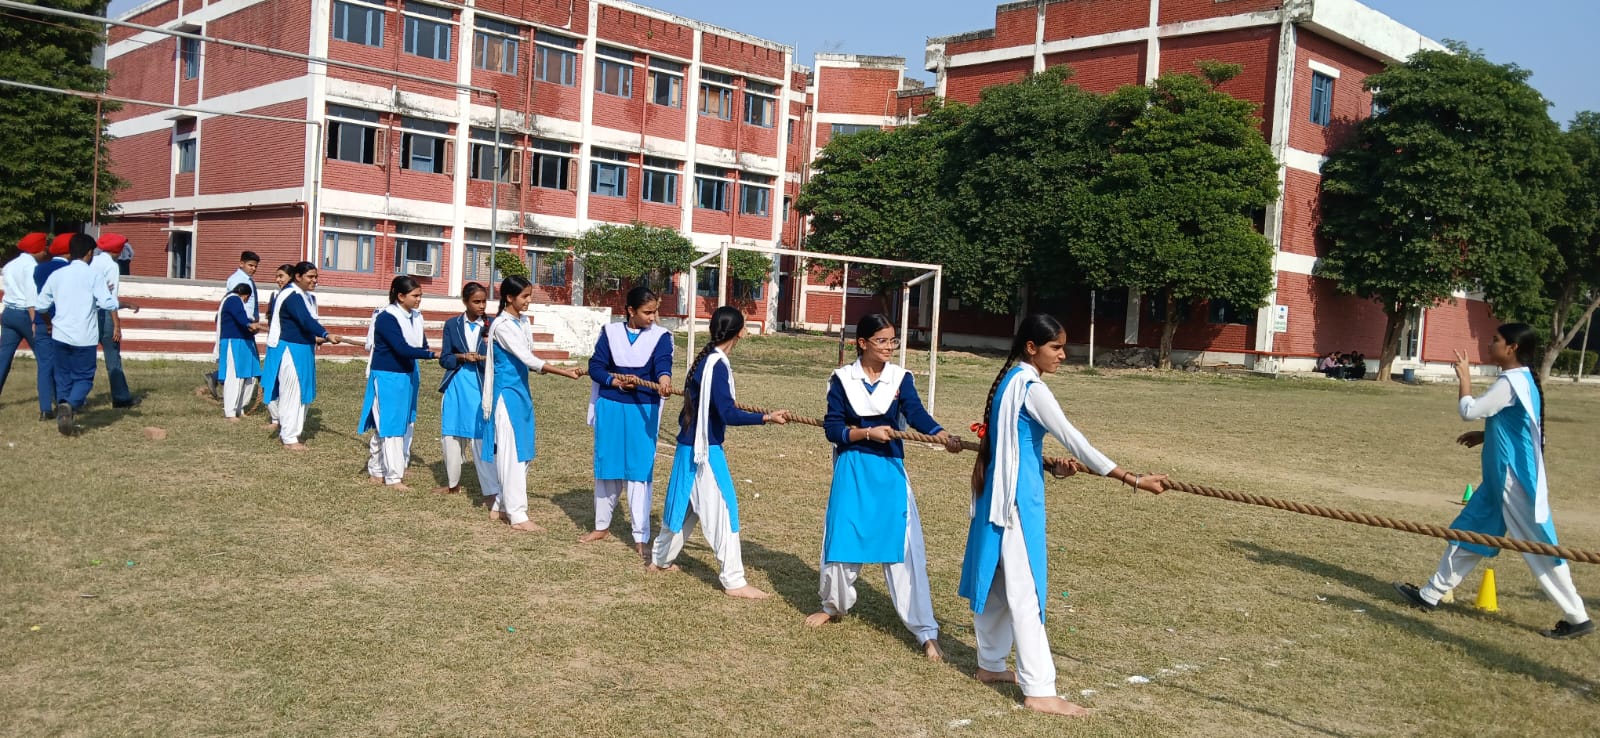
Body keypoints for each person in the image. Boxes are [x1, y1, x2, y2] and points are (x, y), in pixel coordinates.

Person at [958, 313, 1166, 717]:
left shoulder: (1009, 380)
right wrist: (1131, 478)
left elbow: (1015, 445)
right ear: (1031, 347)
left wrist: (1051, 468)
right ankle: (1039, 690)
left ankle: (990, 665)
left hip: (997, 497)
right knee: (1026, 592)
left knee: (999, 587)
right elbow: (1074, 438)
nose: (1063, 355)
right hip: (1015, 503)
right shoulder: (1031, 387)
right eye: (1055, 347)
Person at [1393, 323, 1593, 639]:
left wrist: (1464, 378)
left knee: (1540, 548)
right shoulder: (1520, 380)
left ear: (1512, 348)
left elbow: (1469, 410)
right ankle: (1431, 593)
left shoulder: (1510, 382)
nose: (1490, 344)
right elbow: (1517, 425)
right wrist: (1487, 435)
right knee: (1469, 533)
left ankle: (1578, 617)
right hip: (1499, 479)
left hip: (1514, 481)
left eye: (1496, 340)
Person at [805, 313, 963, 660]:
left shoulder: (900, 378)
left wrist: (941, 434)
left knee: (905, 551)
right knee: (842, 540)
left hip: (889, 472)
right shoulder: (842, 380)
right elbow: (833, 429)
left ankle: (925, 631)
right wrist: (866, 433)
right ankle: (833, 606)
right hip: (852, 470)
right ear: (862, 343)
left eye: (893, 340)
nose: (889, 347)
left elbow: (916, 414)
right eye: (882, 340)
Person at [648, 306, 790, 598]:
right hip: (703, 451)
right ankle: (734, 582)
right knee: (724, 511)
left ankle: (660, 560)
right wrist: (766, 418)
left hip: (688, 447)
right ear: (740, 332)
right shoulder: (715, 364)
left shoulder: (707, 360)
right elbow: (728, 413)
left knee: (683, 508)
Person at [480, 275, 584, 530]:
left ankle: (500, 505)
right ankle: (517, 515)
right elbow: (528, 359)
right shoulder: (502, 325)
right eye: (524, 296)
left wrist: (553, 368)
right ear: (509, 297)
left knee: (523, 452)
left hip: (521, 392)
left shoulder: (522, 321)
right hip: (506, 395)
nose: (528, 301)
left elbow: (529, 356)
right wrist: (564, 372)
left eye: (530, 296)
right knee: (513, 454)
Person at [582, 285, 674, 559]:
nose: (652, 317)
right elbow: (596, 366)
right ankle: (601, 526)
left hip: (642, 409)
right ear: (631, 310)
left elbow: (663, 365)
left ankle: (641, 536)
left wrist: (664, 381)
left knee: (639, 472)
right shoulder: (610, 333)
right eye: (647, 312)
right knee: (607, 467)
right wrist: (614, 381)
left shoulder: (661, 337)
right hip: (611, 406)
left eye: (654, 312)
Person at [359, 276, 437, 490]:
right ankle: (393, 477)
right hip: (388, 375)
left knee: (403, 423)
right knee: (389, 425)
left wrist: (428, 352)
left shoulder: (416, 316)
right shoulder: (386, 317)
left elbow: (420, 343)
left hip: (408, 373)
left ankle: (381, 468)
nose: (419, 299)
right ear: (401, 296)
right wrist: (431, 354)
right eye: (415, 295)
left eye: (420, 295)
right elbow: (401, 348)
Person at [37, 234, 119, 435]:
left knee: (63, 376)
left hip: (60, 334)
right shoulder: (93, 276)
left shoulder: (57, 275)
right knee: (84, 377)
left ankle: (64, 412)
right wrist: (111, 297)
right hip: (84, 336)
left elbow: (41, 306)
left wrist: (48, 323)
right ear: (89, 253)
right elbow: (107, 303)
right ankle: (71, 405)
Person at [261, 262, 344, 450]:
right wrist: (325, 334)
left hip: (302, 349)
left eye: (316, 277)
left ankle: (291, 434)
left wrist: (317, 337)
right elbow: (305, 320)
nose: (314, 280)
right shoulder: (292, 295)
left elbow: (302, 323)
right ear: (298, 277)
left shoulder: (303, 295)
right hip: (291, 350)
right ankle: (289, 438)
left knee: (300, 393)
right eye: (310, 277)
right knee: (292, 394)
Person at [434, 282, 498, 498]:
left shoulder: (494, 324)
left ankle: (491, 488)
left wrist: (484, 358)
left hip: (482, 385)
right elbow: (445, 358)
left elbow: (501, 357)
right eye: (476, 301)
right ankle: (453, 483)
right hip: (457, 384)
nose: (481, 306)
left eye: (484, 301)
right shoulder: (452, 325)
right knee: (451, 433)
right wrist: (462, 356)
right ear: (465, 301)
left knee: (481, 434)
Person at [29, 234, 74, 420]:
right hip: (64, 322)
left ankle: (45, 408)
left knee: (45, 366)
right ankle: (64, 403)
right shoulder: (71, 270)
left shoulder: (39, 269)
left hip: (43, 320)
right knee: (64, 365)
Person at [92, 233, 140, 408]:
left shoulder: (92, 261)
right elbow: (110, 299)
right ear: (118, 250)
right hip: (105, 315)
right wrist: (117, 325)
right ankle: (121, 397)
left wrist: (126, 304)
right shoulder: (112, 266)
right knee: (113, 358)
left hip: (89, 313)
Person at [0, 233, 48, 406]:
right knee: (45, 357)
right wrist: (36, 321)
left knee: (3, 357)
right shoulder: (31, 267)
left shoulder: (10, 265)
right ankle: (54, 399)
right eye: (44, 248)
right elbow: (31, 297)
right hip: (26, 314)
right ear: (37, 249)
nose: (46, 252)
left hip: (9, 312)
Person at [208, 250, 262, 399]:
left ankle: (223, 381)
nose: (253, 269)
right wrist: (247, 323)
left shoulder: (248, 280)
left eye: (255, 266)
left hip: (247, 321)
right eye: (250, 265)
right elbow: (237, 304)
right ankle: (222, 382)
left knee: (247, 358)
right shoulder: (237, 280)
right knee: (242, 359)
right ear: (241, 263)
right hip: (240, 323)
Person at [213, 282, 262, 420]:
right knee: (235, 376)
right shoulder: (233, 299)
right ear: (245, 295)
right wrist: (249, 324)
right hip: (234, 341)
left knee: (249, 376)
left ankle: (240, 408)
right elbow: (240, 317)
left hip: (244, 342)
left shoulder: (234, 301)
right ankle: (230, 411)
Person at [260, 263, 294, 428]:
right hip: (274, 344)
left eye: (281, 276)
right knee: (271, 379)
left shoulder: (296, 296)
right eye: (277, 276)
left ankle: (286, 419)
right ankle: (275, 418)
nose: (278, 280)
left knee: (286, 383)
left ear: (291, 277)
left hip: (289, 346)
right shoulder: (275, 295)